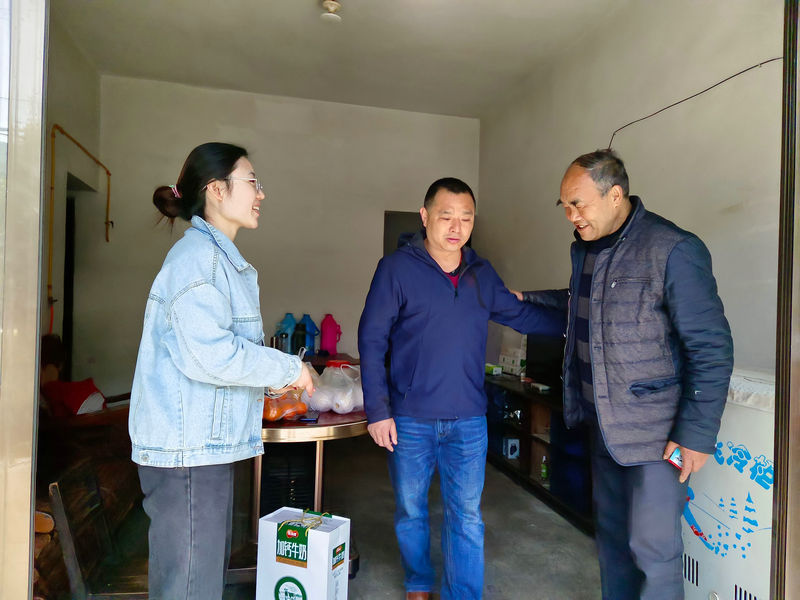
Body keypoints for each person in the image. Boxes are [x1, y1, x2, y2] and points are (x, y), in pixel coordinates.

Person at [519, 149, 733, 600]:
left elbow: (711, 347)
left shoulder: (672, 248)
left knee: (653, 552)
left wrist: (696, 435)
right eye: (565, 206)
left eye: (578, 204)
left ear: (615, 195)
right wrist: (523, 299)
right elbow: (579, 304)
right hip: (604, 428)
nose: (571, 216)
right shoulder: (588, 250)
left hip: (656, 438)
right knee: (613, 545)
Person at [358, 177, 562, 600]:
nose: (456, 227)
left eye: (466, 218)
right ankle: (418, 582)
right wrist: (378, 411)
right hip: (410, 418)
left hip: (468, 419)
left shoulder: (481, 274)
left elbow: (520, 315)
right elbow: (372, 339)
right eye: (446, 216)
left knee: (466, 515)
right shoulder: (396, 269)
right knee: (411, 509)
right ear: (425, 216)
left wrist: (576, 327)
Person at [128, 142, 314, 600]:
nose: (260, 193)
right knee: (191, 587)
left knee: (198, 582)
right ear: (215, 189)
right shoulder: (200, 260)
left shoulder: (214, 258)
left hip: (196, 449)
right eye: (252, 182)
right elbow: (211, 355)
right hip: (188, 454)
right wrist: (287, 368)